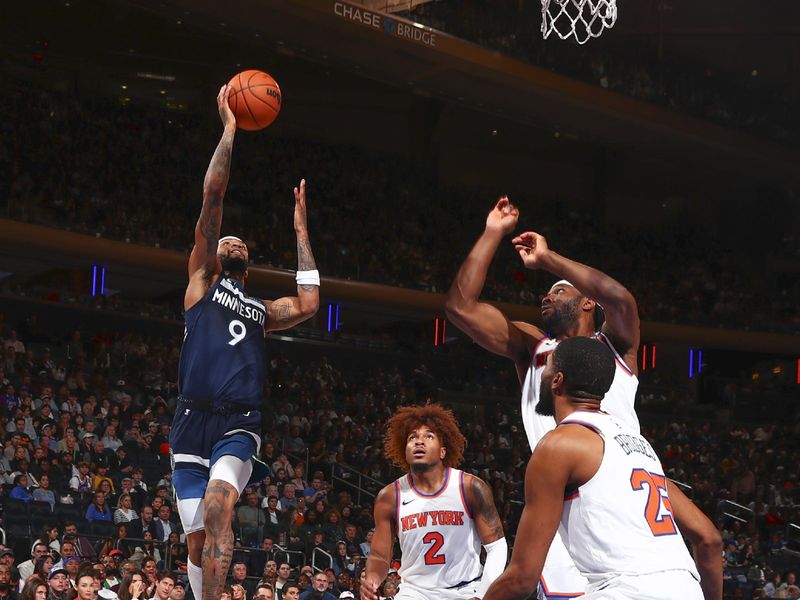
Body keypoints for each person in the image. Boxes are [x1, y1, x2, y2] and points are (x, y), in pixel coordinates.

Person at [446, 197, 721, 599]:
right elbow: (460, 307)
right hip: (567, 503)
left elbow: (622, 300)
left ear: (589, 301)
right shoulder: (534, 347)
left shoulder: (617, 347)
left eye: (559, 292)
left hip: (618, 491)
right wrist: (492, 232)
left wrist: (549, 259)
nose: (547, 297)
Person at [169, 84, 320, 600]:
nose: (231, 238)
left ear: (248, 265)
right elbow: (213, 198)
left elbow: (307, 302)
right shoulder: (200, 285)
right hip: (191, 419)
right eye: (224, 239)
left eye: (240, 242)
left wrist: (301, 230)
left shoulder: (259, 311)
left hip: (238, 420)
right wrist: (230, 130)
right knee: (194, 542)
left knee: (217, 508)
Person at [483, 337, 719, 600]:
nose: (540, 375)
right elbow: (709, 538)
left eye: (546, 367)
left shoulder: (558, 445)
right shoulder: (640, 446)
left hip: (627, 591)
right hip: (685, 588)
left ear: (557, 380)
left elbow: (521, 579)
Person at [363, 404, 507, 600]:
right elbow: (379, 556)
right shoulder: (389, 496)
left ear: (442, 451)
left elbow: (497, 547)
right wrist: (372, 580)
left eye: (428, 436)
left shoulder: (470, 487)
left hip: (464, 591)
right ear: (404, 450)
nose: (419, 442)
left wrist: (482, 595)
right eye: (412, 437)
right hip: (413, 593)